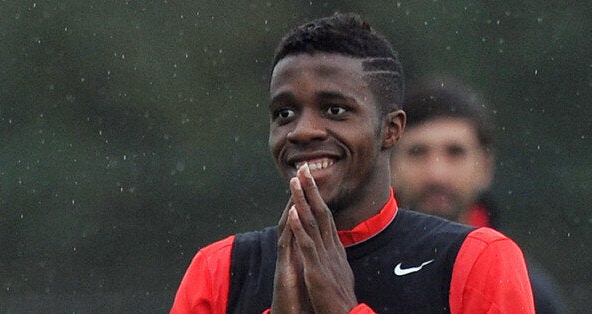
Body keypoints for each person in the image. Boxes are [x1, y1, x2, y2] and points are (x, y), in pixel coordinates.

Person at [172, 13, 534, 313]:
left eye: (335, 110)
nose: (302, 131)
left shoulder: (477, 261)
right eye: (284, 113)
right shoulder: (220, 271)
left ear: (391, 130)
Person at [391, 76, 569, 313]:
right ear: (389, 164)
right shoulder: (351, 276)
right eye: (417, 152)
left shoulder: (534, 294)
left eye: (455, 153)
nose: (436, 174)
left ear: (485, 166)